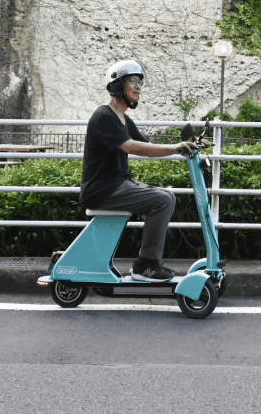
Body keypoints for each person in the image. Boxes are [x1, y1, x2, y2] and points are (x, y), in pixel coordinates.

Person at [80, 59, 196, 282]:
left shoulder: (124, 119)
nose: (138, 87)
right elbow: (130, 146)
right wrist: (173, 148)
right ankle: (146, 265)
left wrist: (184, 147)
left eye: (140, 82)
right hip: (103, 190)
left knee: (167, 196)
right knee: (163, 200)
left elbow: (147, 146)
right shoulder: (104, 116)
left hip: (117, 185)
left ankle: (148, 263)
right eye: (133, 81)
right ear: (117, 84)